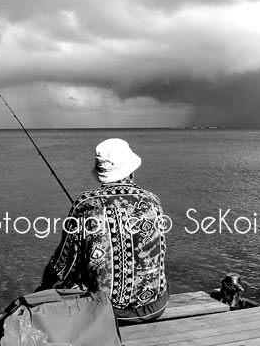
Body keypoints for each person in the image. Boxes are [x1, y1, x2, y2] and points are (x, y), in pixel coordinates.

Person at [36, 138, 169, 324]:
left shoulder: (86, 204)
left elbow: (62, 265)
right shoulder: (152, 200)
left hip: (104, 311)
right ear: (131, 170)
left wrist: (42, 290)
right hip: (155, 306)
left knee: (76, 268)